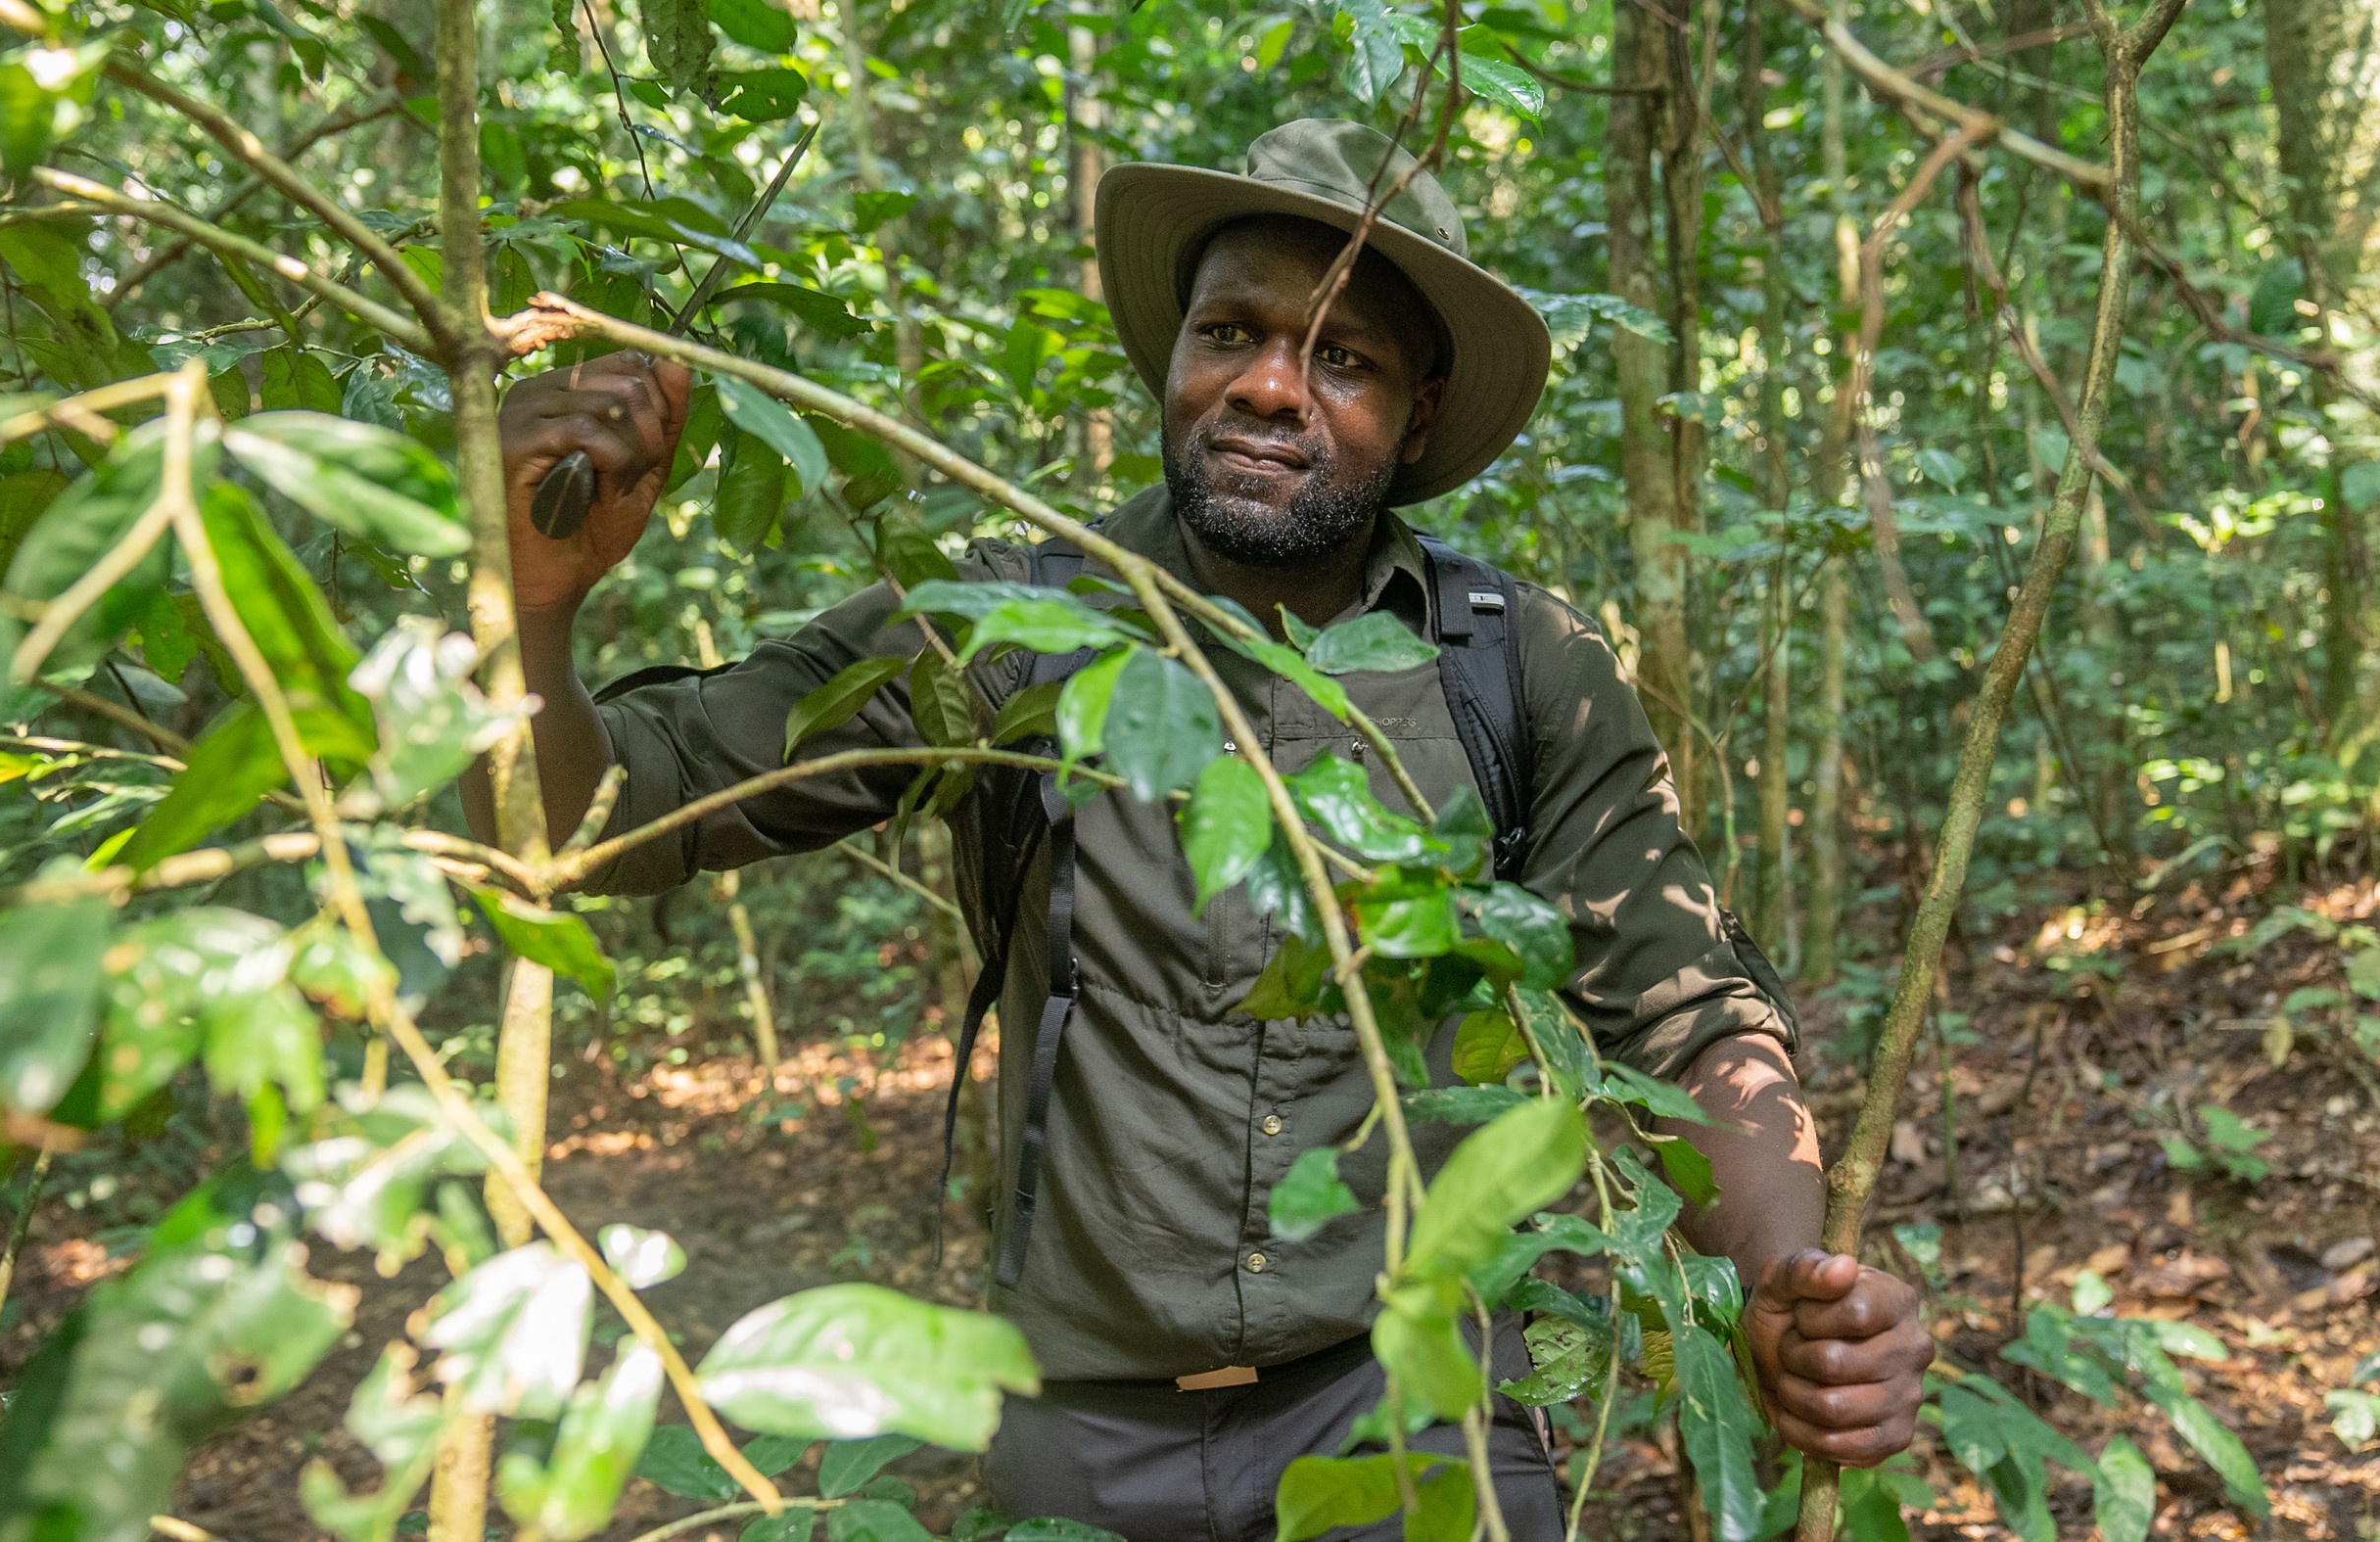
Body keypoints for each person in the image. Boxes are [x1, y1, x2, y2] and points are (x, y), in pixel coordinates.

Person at [470, 118, 1933, 1540]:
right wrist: (532, 604)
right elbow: (603, 823)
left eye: (1342, 358)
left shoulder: (1517, 667)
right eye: (1229, 332)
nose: (1270, 388)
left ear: (1418, 416)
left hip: (1413, 1419)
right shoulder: (1013, 627)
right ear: (1174, 356)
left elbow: (1687, 1015)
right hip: (1079, 1434)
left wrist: (1789, 1282)